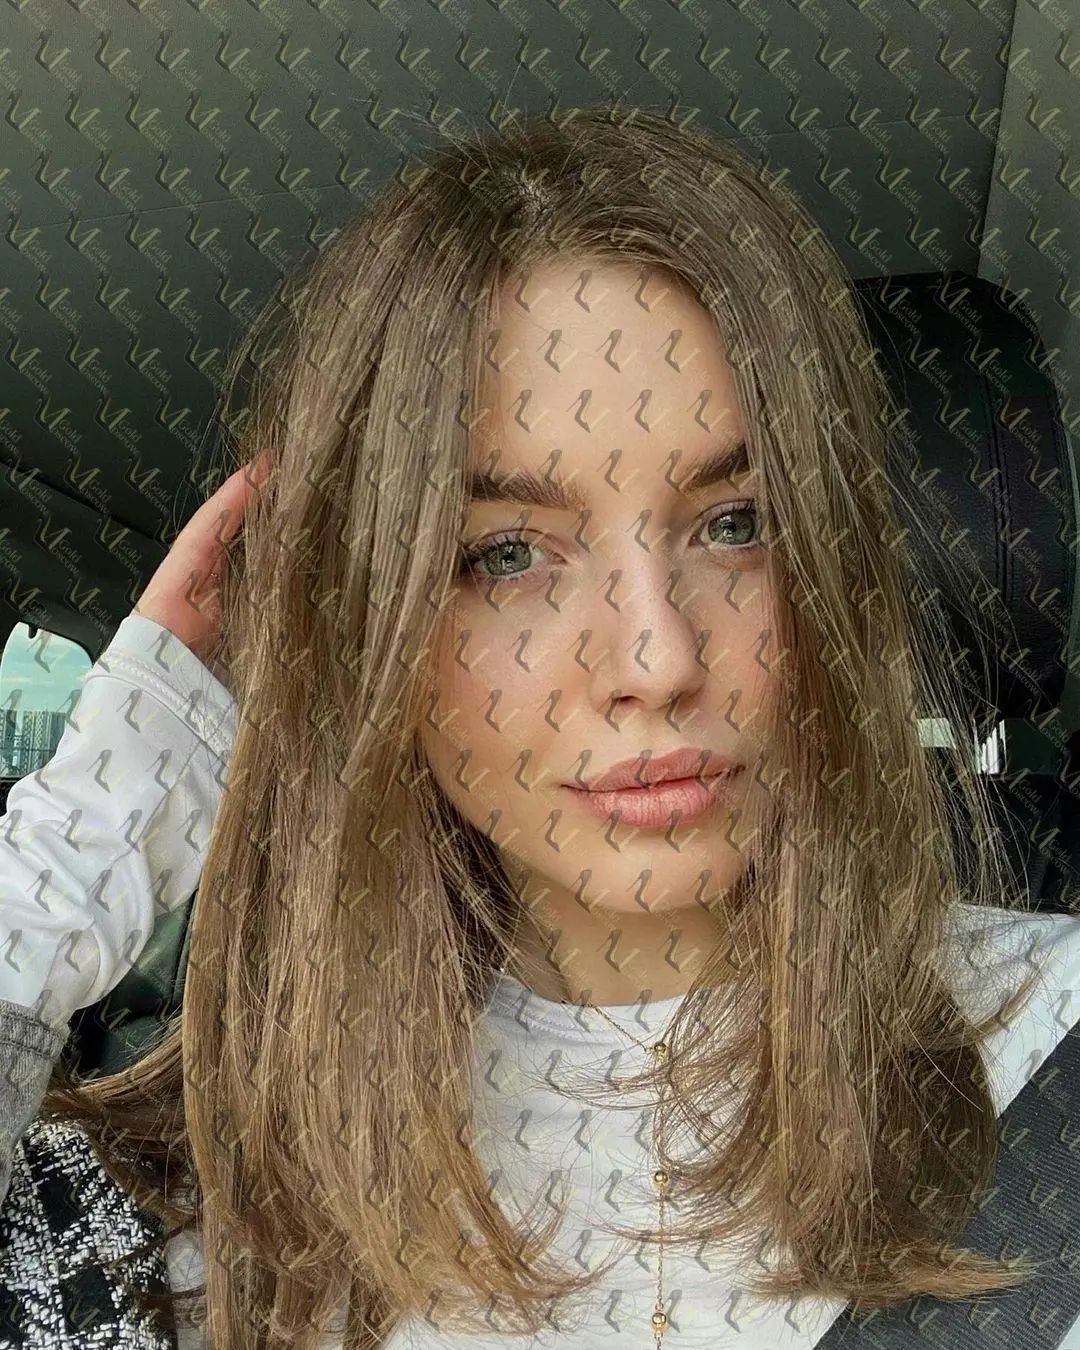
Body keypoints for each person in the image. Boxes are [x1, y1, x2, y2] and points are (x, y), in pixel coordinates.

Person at [2, 103, 1080, 1350]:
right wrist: (75, 854)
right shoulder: (185, 1220)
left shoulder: (1051, 1055)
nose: (655, 659)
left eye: (737, 525)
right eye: (506, 554)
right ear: (371, 631)